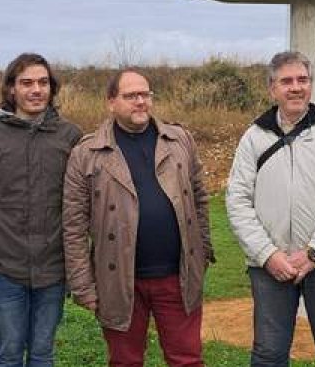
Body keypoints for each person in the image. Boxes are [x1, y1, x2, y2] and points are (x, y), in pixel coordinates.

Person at [62, 68, 214, 367]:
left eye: (145, 94)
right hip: (118, 280)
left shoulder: (179, 139)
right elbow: (73, 225)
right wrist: (83, 285)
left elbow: (199, 200)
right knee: (125, 362)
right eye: (131, 96)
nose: (140, 101)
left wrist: (203, 253)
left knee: (187, 359)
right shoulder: (86, 153)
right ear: (111, 102)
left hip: (177, 276)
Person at [225, 51, 315, 367]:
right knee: (268, 356)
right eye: (286, 81)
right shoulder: (253, 139)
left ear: (310, 86)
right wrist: (267, 255)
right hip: (270, 266)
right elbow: (237, 202)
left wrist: (314, 252)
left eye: (302, 80)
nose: (296, 87)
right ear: (272, 89)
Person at [0, 54, 83, 367]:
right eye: (26, 82)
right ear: (11, 89)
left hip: (54, 268)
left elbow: (82, 198)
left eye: (43, 83)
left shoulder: (70, 137)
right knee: (9, 353)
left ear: (52, 89)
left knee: (43, 353)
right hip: (3, 269)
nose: (36, 90)